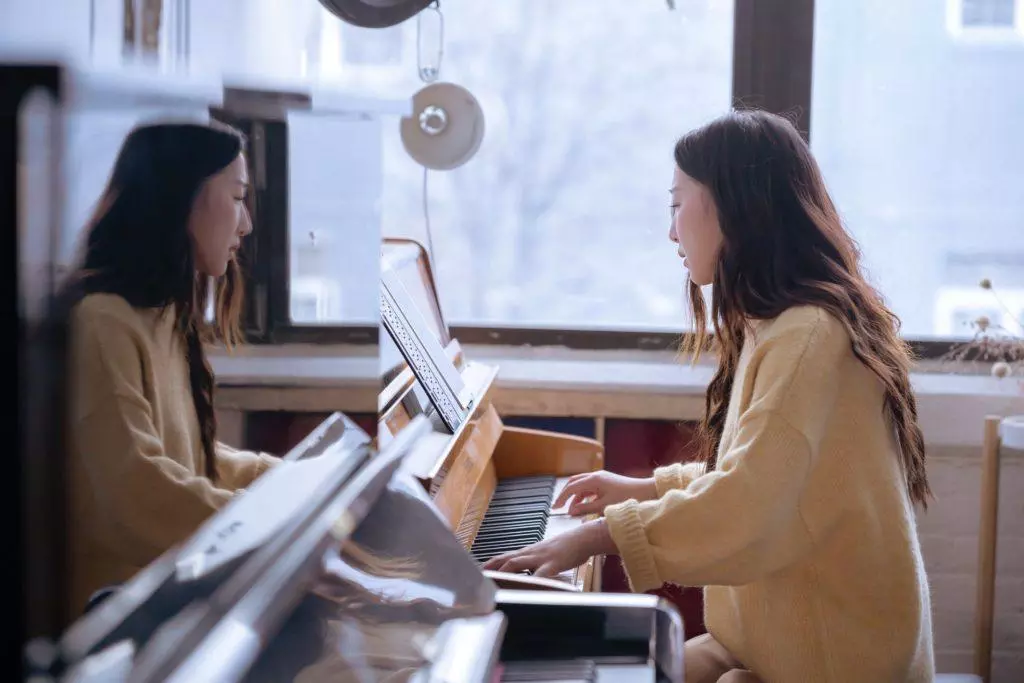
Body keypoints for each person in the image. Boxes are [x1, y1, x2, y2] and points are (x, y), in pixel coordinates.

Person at [484, 109, 935, 683]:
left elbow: (746, 504)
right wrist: (648, 487)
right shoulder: (783, 325)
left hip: (833, 658)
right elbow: (771, 470)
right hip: (770, 640)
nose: (671, 231)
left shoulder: (808, 336)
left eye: (676, 205)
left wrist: (597, 538)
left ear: (736, 205)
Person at [61, 121, 278, 620]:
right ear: (183, 199)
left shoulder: (162, 314)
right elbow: (141, 490)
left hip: (169, 586)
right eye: (237, 198)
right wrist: (273, 519)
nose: (245, 225)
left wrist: (292, 481)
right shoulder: (101, 322)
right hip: (117, 610)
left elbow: (191, 463)